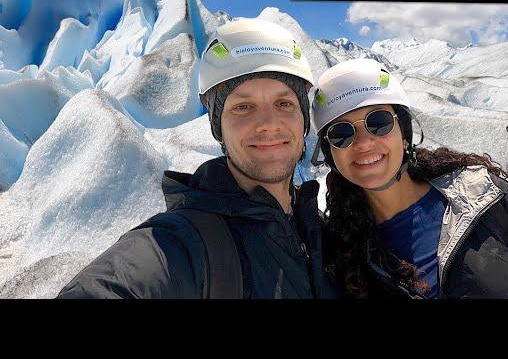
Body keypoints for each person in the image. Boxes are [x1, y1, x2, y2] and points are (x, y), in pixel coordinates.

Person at [310, 58, 508, 299]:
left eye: (379, 122)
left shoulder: (488, 200)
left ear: (405, 134)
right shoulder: (342, 252)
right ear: (330, 153)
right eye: (341, 133)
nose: (364, 143)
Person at [58, 19, 337, 299]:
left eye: (284, 103)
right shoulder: (183, 243)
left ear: (303, 119)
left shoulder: (320, 233)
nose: (269, 123)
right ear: (219, 128)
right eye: (243, 106)